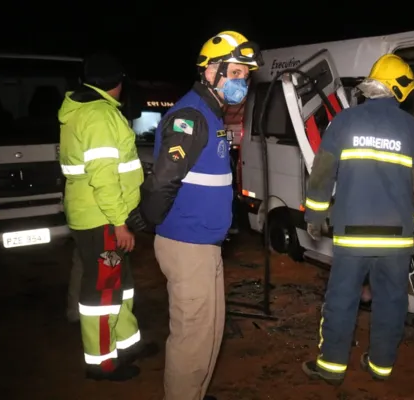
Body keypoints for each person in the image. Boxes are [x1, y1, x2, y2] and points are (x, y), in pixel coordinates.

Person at [139, 31, 263, 400]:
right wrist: (148, 219)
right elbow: (163, 178)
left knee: (209, 331)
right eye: (237, 73)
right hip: (187, 244)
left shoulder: (211, 113)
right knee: (192, 338)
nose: (243, 82)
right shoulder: (192, 115)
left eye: (246, 75)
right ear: (211, 71)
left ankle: (195, 392)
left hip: (205, 243)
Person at [301, 54, 414, 384]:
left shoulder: (345, 122)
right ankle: (380, 367)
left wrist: (315, 215)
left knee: (341, 301)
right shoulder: (411, 128)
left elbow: (321, 175)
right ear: (400, 89)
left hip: (352, 237)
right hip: (396, 240)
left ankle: (331, 369)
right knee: (391, 303)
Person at [58, 53, 156, 381]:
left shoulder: (85, 111)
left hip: (98, 215)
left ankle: (126, 344)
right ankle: (101, 362)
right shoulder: (100, 116)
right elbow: (103, 175)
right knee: (102, 293)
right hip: (102, 219)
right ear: (118, 82)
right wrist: (119, 222)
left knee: (120, 286)